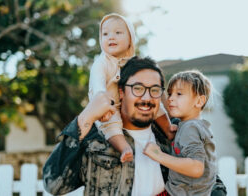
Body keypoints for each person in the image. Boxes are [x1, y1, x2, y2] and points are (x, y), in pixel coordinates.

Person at [43, 57, 226, 196]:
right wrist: (86, 116)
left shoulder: (174, 132)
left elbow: (211, 181)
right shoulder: (95, 137)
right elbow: (53, 184)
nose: (146, 98)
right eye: (138, 88)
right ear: (121, 92)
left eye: (154, 90)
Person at [88, 13, 173, 163]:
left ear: (130, 40)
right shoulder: (101, 63)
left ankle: (168, 128)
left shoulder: (133, 63)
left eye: (118, 33)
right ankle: (124, 148)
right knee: (111, 125)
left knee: (155, 103)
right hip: (107, 106)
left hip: (129, 102)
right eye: (105, 34)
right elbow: (98, 85)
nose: (111, 37)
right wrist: (103, 107)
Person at [144, 70, 218, 196]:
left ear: (199, 101)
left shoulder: (190, 128)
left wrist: (158, 155)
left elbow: (196, 167)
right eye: (170, 93)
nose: (171, 98)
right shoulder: (193, 126)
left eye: (179, 94)